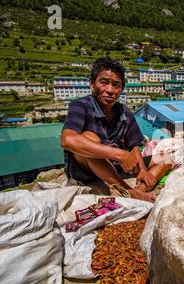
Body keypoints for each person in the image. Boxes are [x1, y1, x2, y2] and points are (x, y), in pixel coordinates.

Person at [61, 57, 170, 202]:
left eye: (116, 85)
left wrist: (143, 170)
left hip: (115, 168)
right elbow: (67, 139)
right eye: (104, 82)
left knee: (166, 159)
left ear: (122, 89)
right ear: (92, 84)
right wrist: (121, 155)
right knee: (90, 137)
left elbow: (134, 145)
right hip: (87, 170)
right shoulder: (81, 105)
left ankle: (139, 190)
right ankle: (129, 192)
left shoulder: (124, 111)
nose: (110, 90)